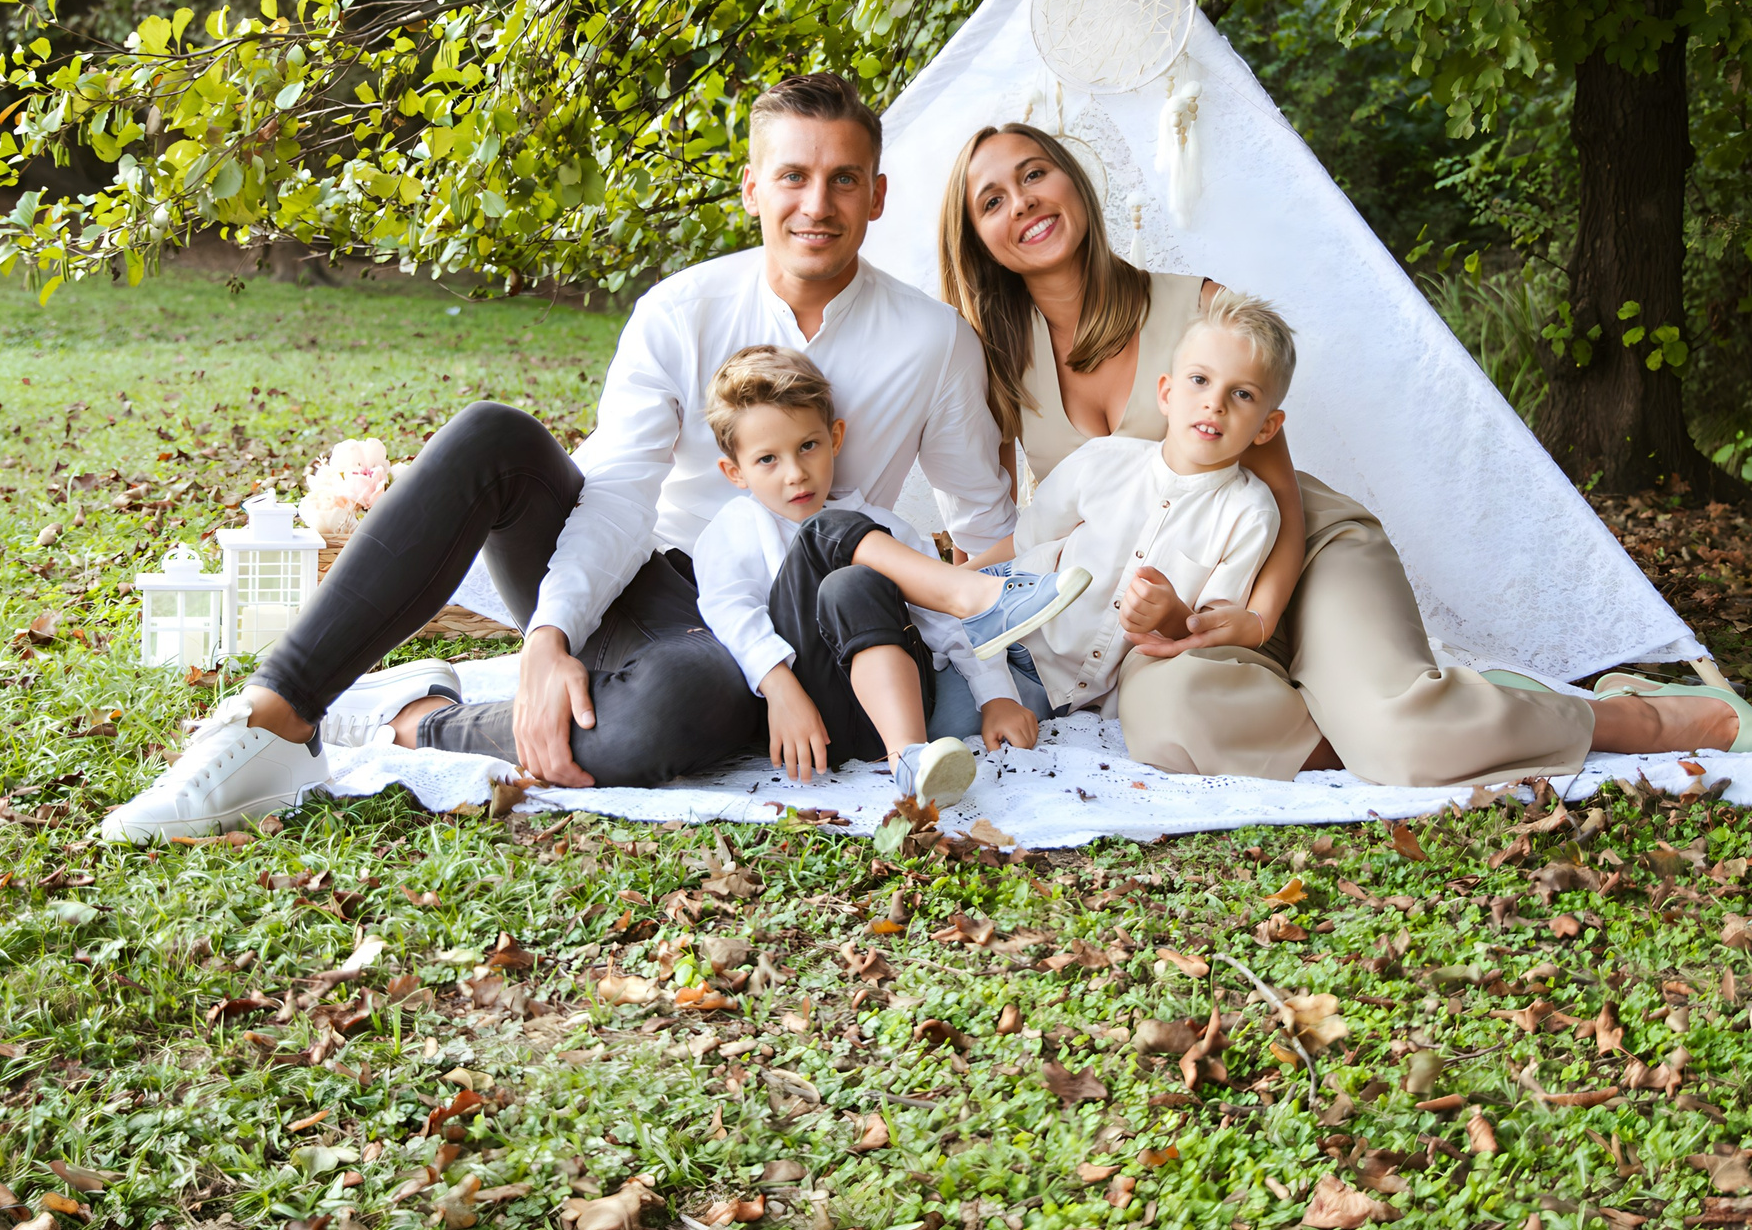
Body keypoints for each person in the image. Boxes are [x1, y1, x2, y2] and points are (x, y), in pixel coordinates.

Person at [99, 73, 1016, 842]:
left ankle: (428, 718)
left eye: (844, 180)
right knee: (496, 435)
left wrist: (1002, 687)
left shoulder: (932, 341)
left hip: (790, 629)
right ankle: (273, 719)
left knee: (672, 713)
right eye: (793, 177)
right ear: (751, 188)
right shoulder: (681, 308)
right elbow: (616, 493)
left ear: (878, 196)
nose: (816, 205)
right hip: (650, 578)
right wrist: (550, 635)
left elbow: (983, 531)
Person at [934, 121, 1752, 786]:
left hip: (1291, 552)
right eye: (992, 200)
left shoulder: (1199, 307)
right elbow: (1024, 528)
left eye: (1034, 174)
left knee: (1400, 734)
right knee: (1169, 722)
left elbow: (1279, 498)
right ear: (976, 237)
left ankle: (1633, 718)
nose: (1023, 204)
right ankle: (1390, 722)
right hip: (1179, 615)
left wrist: (1262, 617)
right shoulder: (995, 360)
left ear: (1073, 183)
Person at [843, 287, 1290, 730]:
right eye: (1200, 380)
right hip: (1012, 643)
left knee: (946, 726)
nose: (1215, 402)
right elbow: (1022, 544)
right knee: (908, 704)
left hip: (1076, 692)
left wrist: (1171, 612)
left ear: (1268, 427)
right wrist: (948, 586)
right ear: (1167, 394)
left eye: (1243, 394)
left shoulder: (1251, 514)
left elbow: (1210, 628)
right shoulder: (1102, 461)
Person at [688, 343, 1041, 808]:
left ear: (835, 438)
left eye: (808, 446)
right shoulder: (734, 528)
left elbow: (942, 621)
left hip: (895, 712)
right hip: (809, 714)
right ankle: (977, 593)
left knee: (854, 580)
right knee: (826, 534)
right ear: (734, 472)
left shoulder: (883, 527)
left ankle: (911, 759)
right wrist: (781, 691)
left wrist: (996, 695)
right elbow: (730, 611)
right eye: (767, 460)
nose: (795, 473)